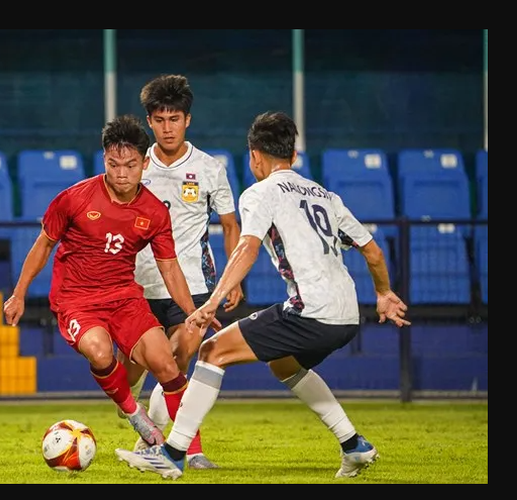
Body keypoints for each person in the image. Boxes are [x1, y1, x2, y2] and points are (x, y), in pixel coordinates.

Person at [114, 111, 411, 480]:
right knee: (284, 364)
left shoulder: (260, 192)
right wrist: (383, 293)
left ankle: (173, 455)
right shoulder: (325, 195)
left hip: (310, 311)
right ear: (294, 156)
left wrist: (211, 301)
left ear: (255, 156)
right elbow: (373, 252)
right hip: (347, 314)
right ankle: (354, 446)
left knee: (211, 351)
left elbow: (246, 248)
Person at [3, 114, 220, 449]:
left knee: (166, 363)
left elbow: (170, 267)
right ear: (103, 158)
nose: (121, 173)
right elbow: (43, 244)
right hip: (76, 300)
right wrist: (18, 294)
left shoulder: (153, 212)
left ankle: (193, 451)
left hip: (124, 298)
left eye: (130, 165)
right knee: (100, 351)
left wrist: (192, 311)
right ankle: (135, 414)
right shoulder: (74, 199)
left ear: (144, 163)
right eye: (113, 164)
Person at [113, 74, 244, 469]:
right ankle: (137, 398)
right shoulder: (134, 165)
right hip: (139, 284)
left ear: (187, 120)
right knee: (144, 367)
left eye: (174, 118)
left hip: (194, 284)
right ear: (149, 122)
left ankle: (188, 448)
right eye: (159, 119)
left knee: (180, 358)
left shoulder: (209, 168)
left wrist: (232, 281)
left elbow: (230, 225)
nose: (167, 126)